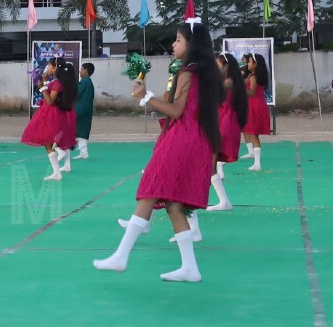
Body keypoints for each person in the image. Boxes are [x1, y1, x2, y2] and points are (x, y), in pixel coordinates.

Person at [93, 22, 221, 282]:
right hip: (196, 141)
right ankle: (189, 268)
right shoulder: (204, 74)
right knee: (174, 204)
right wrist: (149, 96)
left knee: (151, 190)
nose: (174, 45)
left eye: (178, 40)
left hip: (181, 140)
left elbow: (175, 111)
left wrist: (145, 96)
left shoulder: (188, 73)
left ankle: (121, 255)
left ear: (191, 45)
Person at [20, 59, 78, 182]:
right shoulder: (61, 82)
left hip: (51, 114)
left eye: (50, 66)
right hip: (55, 113)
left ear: (55, 68)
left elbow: (50, 101)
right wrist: (45, 82)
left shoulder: (57, 84)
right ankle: (58, 161)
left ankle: (58, 163)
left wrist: (41, 87)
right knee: (49, 139)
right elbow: (51, 93)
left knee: (46, 138)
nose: (48, 68)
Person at [208, 53, 248, 208]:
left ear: (226, 67)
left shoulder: (229, 82)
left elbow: (210, 93)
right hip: (222, 123)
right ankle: (222, 201)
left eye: (216, 66)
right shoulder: (229, 81)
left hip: (224, 125)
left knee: (209, 165)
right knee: (208, 165)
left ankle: (223, 201)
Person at [241, 53, 273, 169]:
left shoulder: (253, 77)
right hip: (259, 104)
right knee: (253, 133)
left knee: (254, 134)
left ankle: (257, 163)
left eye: (249, 62)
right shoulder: (253, 76)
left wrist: (240, 91)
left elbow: (252, 92)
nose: (248, 64)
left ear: (255, 64)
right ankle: (255, 161)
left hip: (254, 105)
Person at [74, 61, 97, 160]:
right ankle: (83, 152)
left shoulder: (84, 82)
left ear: (86, 70)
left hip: (80, 110)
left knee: (79, 131)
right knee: (81, 132)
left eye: (82, 69)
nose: (80, 71)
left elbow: (76, 94)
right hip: (85, 110)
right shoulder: (89, 82)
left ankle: (73, 148)